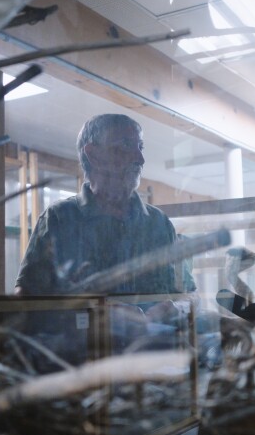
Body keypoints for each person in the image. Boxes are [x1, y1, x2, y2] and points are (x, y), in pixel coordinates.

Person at [15, 113, 194, 297]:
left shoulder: (159, 223)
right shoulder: (60, 219)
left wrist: (172, 309)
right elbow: (26, 300)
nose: (140, 158)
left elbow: (188, 295)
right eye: (126, 145)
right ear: (93, 154)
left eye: (140, 147)